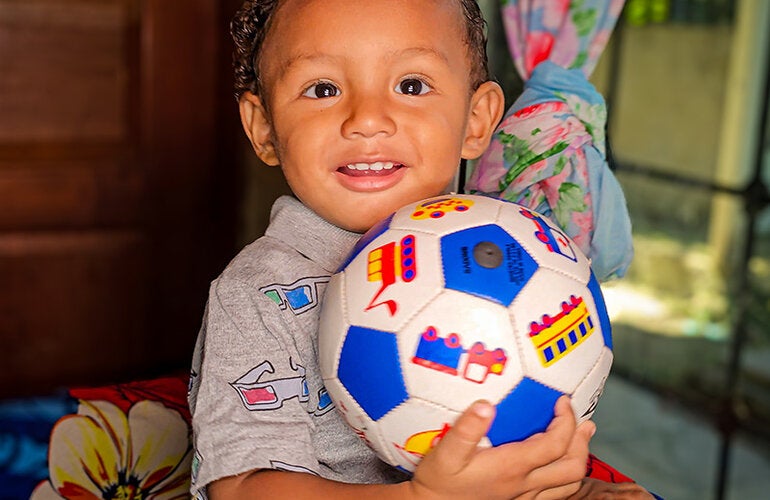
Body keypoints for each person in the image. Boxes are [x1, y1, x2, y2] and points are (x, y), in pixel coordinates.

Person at [188, 0, 655, 498]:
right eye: (323, 89)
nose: (367, 120)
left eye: (411, 85)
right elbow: (238, 489)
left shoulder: (516, 258)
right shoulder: (257, 295)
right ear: (264, 128)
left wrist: (549, 484)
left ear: (476, 120)